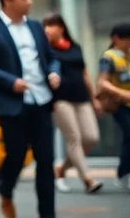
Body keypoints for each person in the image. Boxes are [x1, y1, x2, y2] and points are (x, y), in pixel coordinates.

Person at [0, 0, 61, 218]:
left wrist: (54, 71)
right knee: (15, 155)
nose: (29, 2)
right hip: (11, 104)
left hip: (42, 100)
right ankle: (5, 189)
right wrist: (10, 81)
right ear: (7, 0)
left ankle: (48, 215)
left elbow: (51, 56)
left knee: (45, 162)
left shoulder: (36, 26)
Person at [42, 13, 103, 194]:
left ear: (61, 27)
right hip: (60, 100)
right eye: (45, 26)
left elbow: (85, 74)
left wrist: (94, 98)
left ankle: (61, 169)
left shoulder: (75, 47)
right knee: (74, 137)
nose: (47, 29)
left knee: (91, 138)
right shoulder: (46, 51)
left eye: (51, 25)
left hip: (81, 97)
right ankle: (88, 179)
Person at [96, 23, 130, 191]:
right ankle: (124, 173)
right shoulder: (109, 57)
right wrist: (122, 93)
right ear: (116, 39)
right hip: (121, 105)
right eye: (128, 39)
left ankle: (126, 174)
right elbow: (102, 82)